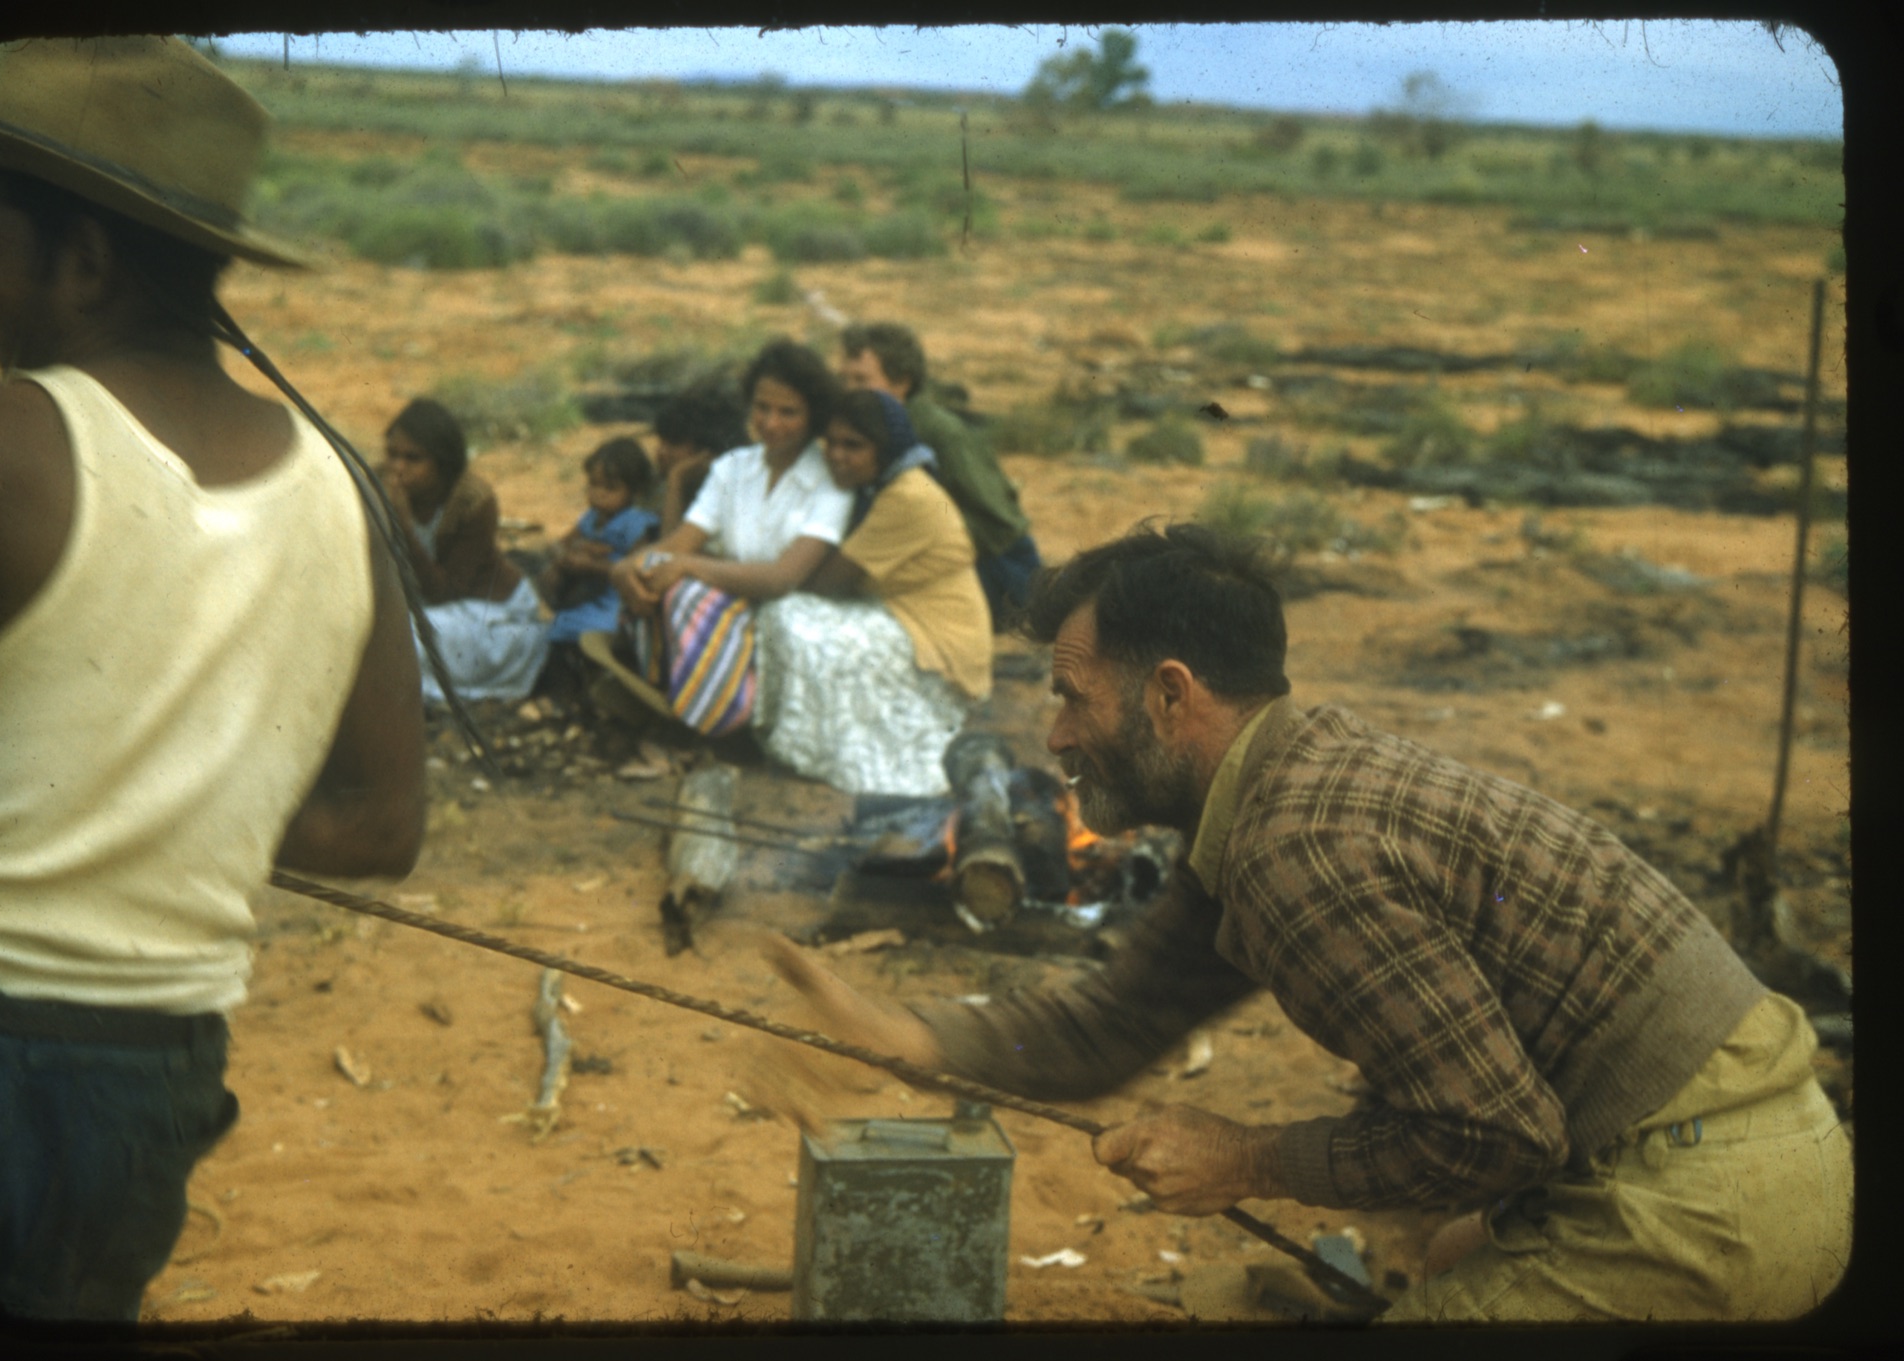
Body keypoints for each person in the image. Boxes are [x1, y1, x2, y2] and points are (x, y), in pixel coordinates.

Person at [766, 523, 1852, 1323]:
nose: (1052, 734)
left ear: (1169, 694)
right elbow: (1113, 1021)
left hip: (1706, 1193)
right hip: (1739, 1150)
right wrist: (913, 1038)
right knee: (1442, 1249)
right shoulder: (1272, 783)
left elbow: (1495, 1134)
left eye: (1071, 697)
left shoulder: (1299, 850)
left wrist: (1248, 1157)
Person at [0, 37, 425, 1323]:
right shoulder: (344, 495)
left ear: (89, 260)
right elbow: (384, 827)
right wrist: (177, 810)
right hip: (154, 1083)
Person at [601, 339, 852, 735]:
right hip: (726, 604)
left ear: (813, 415)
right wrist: (624, 570)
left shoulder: (830, 482)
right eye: (762, 408)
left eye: (788, 412)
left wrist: (688, 565)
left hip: (788, 613)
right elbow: (677, 545)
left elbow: (783, 578)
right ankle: (679, 691)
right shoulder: (734, 468)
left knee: (688, 591)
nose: (771, 422)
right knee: (652, 568)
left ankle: (719, 711)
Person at [751, 390, 992, 796]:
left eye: (854, 446)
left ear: (885, 449)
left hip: (937, 637)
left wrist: (772, 569)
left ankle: (825, 748)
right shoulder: (879, 486)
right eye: (831, 443)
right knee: (785, 613)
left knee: (796, 622)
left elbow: (827, 584)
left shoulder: (907, 496)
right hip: (899, 612)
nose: (837, 456)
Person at [839, 322, 1043, 630]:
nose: (850, 391)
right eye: (845, 379)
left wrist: (929, 532)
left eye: (862, 380)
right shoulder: (860, 432)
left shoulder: (942, 434)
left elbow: (1001, 523)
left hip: (997, 571)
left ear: (902, 383)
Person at [381, 397, 551, 706]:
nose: (398, 468)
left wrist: (402, 527)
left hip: (488, 611)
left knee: (400, 641)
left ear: (442, 463)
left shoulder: (472, 501)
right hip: (426, 607)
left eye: (413, 458)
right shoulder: (381, 486)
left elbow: (446, 591)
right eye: (392, 455)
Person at [538, 436, 660, 645]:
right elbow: (559, 544)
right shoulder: (591, 518)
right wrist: (563, 559)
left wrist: (593, 565)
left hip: (617, 603)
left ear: (635, 490)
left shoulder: (635, 522)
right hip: (588, 598)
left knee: (587, 632)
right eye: (593, 484)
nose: (598, 494)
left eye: (610, 488)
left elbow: (638, 569)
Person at [648, 385, 750, 535]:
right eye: (661, 441)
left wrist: (676, 479)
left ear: (707, 450)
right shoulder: (656, 490)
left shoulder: (733, 497)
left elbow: (668, 554)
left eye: (673, 443)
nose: (661, 452)